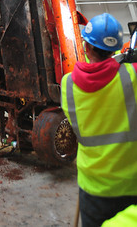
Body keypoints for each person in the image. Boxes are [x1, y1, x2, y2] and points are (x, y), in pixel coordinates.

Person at [61, 13, 137, 227]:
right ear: (115, 49)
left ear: (86, 46)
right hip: (131, 186)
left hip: (93, 188)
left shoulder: (67, 86)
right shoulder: (132, 77)